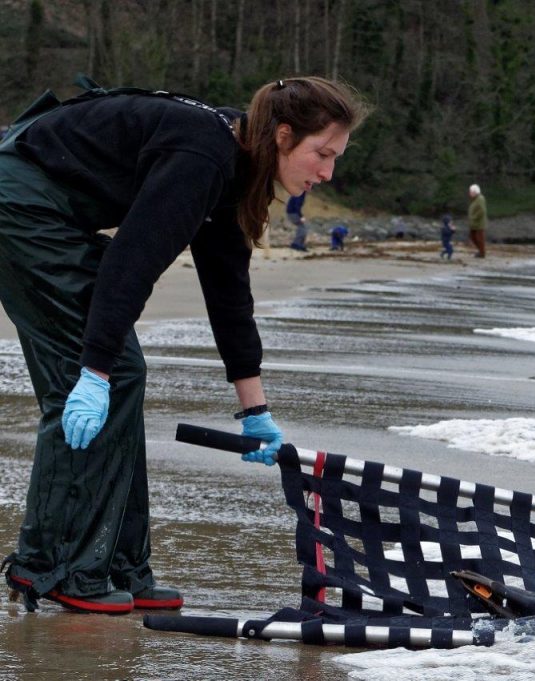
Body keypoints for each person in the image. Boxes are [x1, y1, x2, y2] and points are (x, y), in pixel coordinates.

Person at [0, 76, 368, 614]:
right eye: (323, 153)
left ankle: (116, 563)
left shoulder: (233, 165)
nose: (328, 171)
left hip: (42, 208)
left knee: (120, 375)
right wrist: (93, 372)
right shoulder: (204, 155)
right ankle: (55, 567)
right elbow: (133, 262)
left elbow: (228, 294)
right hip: (18, 205)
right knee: (105, 378)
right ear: (284, 135)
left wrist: (255, 410)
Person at [467, 183, 487, 258]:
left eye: (471, 192)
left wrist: (474, 217)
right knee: (473, 237)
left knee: (479, 239)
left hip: (478, 224)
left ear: (475, 192)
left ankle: (482, 253)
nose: (469, 193)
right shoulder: (475, 199)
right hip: (474, 224)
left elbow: (482, 211)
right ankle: (480, 251)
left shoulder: (480, 199)